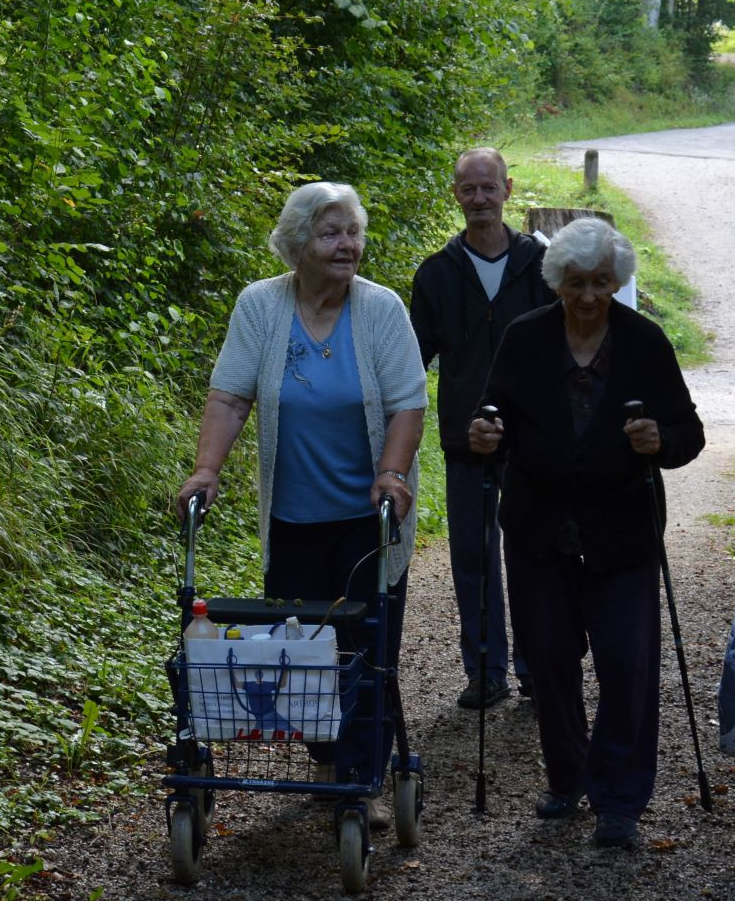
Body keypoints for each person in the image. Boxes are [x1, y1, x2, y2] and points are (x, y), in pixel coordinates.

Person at [469, 217, 702, 850]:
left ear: (618, 281)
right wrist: (486, 437)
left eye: (602, 282)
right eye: (577, 282)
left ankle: (620, 799)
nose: (591, 296)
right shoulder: (524, 338)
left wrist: (661, 441)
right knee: (550, 662)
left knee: (628, 664)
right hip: (537, 529)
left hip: (621, 532)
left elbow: (689, 433)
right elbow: (494, 422)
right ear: (557, 283)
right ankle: (567, 777)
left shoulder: (645, 342)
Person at [179, 182, 427, 661]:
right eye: (331, 234)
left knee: (363, 660)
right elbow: (229, 399)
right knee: (301, 663)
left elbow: (407, 404)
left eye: (353, 232)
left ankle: (363, 739)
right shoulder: (260, 305)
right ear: (297, 245)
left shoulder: (381, 309)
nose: (347, 245)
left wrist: (392, 473)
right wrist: (206, 470)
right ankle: (326, 741)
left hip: (368, 522)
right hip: (291, 522)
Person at [410, 147, 554, 711]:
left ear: (508, 190)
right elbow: (413, 360)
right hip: (465, 443)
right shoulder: (437, 275)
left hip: (534, 445)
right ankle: (486, 671)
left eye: (488, 187)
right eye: (468, 189)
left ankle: (539, 668)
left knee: (535, 556)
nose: (479, 199)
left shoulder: (542, 266)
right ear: (456, 195)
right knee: (473, 557)